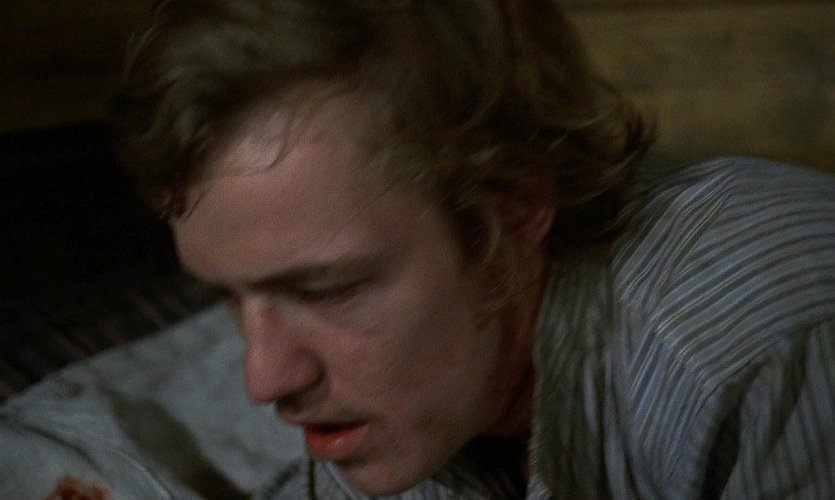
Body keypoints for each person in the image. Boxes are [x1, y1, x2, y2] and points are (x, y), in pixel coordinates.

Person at [111, 0, 835, 497]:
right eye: (226, 298)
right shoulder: (403, 411)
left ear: (514, 206)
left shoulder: (758, 348)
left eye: (329, 290)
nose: (264, 378)